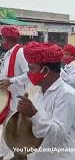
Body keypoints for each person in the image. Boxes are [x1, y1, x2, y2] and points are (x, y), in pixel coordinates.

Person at [17, 41, 75, 160]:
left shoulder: (66, 95)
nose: (28, 73)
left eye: (31, 68)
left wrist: (33, 113)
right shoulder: (42, 91)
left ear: (46, 71)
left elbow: (57, 136)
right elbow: (38, 128)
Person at [0, 26, 29, 160]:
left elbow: (29, 74)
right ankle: (19, 155)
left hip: (16, 97)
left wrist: (11, 81)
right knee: (10, 128)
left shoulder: (20, 52)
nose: (1, 40)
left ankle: (9, 154)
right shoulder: (8, 53)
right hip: (7, 97)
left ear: (7, 39)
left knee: (10, 128)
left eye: (2, 38)